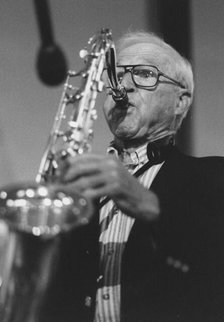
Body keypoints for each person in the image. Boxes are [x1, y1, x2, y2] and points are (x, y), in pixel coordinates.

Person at [41, 31, 224, 322]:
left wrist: (151, 206)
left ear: (181, 100)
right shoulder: (77, 194)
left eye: (142, 73)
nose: (121, 87)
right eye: (115, 75)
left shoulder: (215, 176)